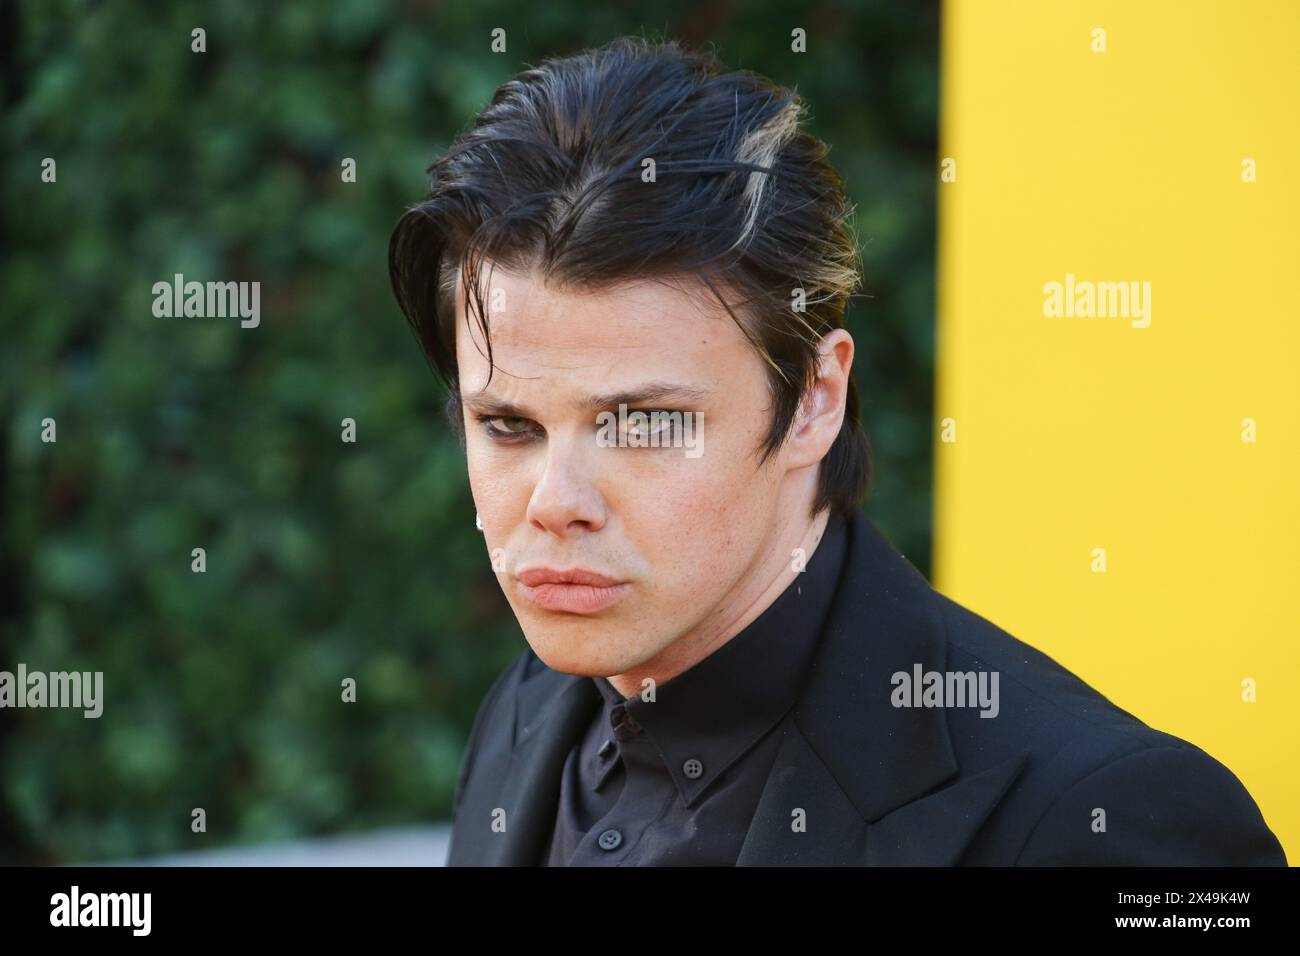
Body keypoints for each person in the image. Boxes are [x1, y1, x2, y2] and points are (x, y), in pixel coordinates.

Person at [387, 36, 1287, 866]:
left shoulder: (1110, 816)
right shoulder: (528, 710)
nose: (553, 502)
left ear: (816, 398)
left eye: (643, 422)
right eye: (509, 426)